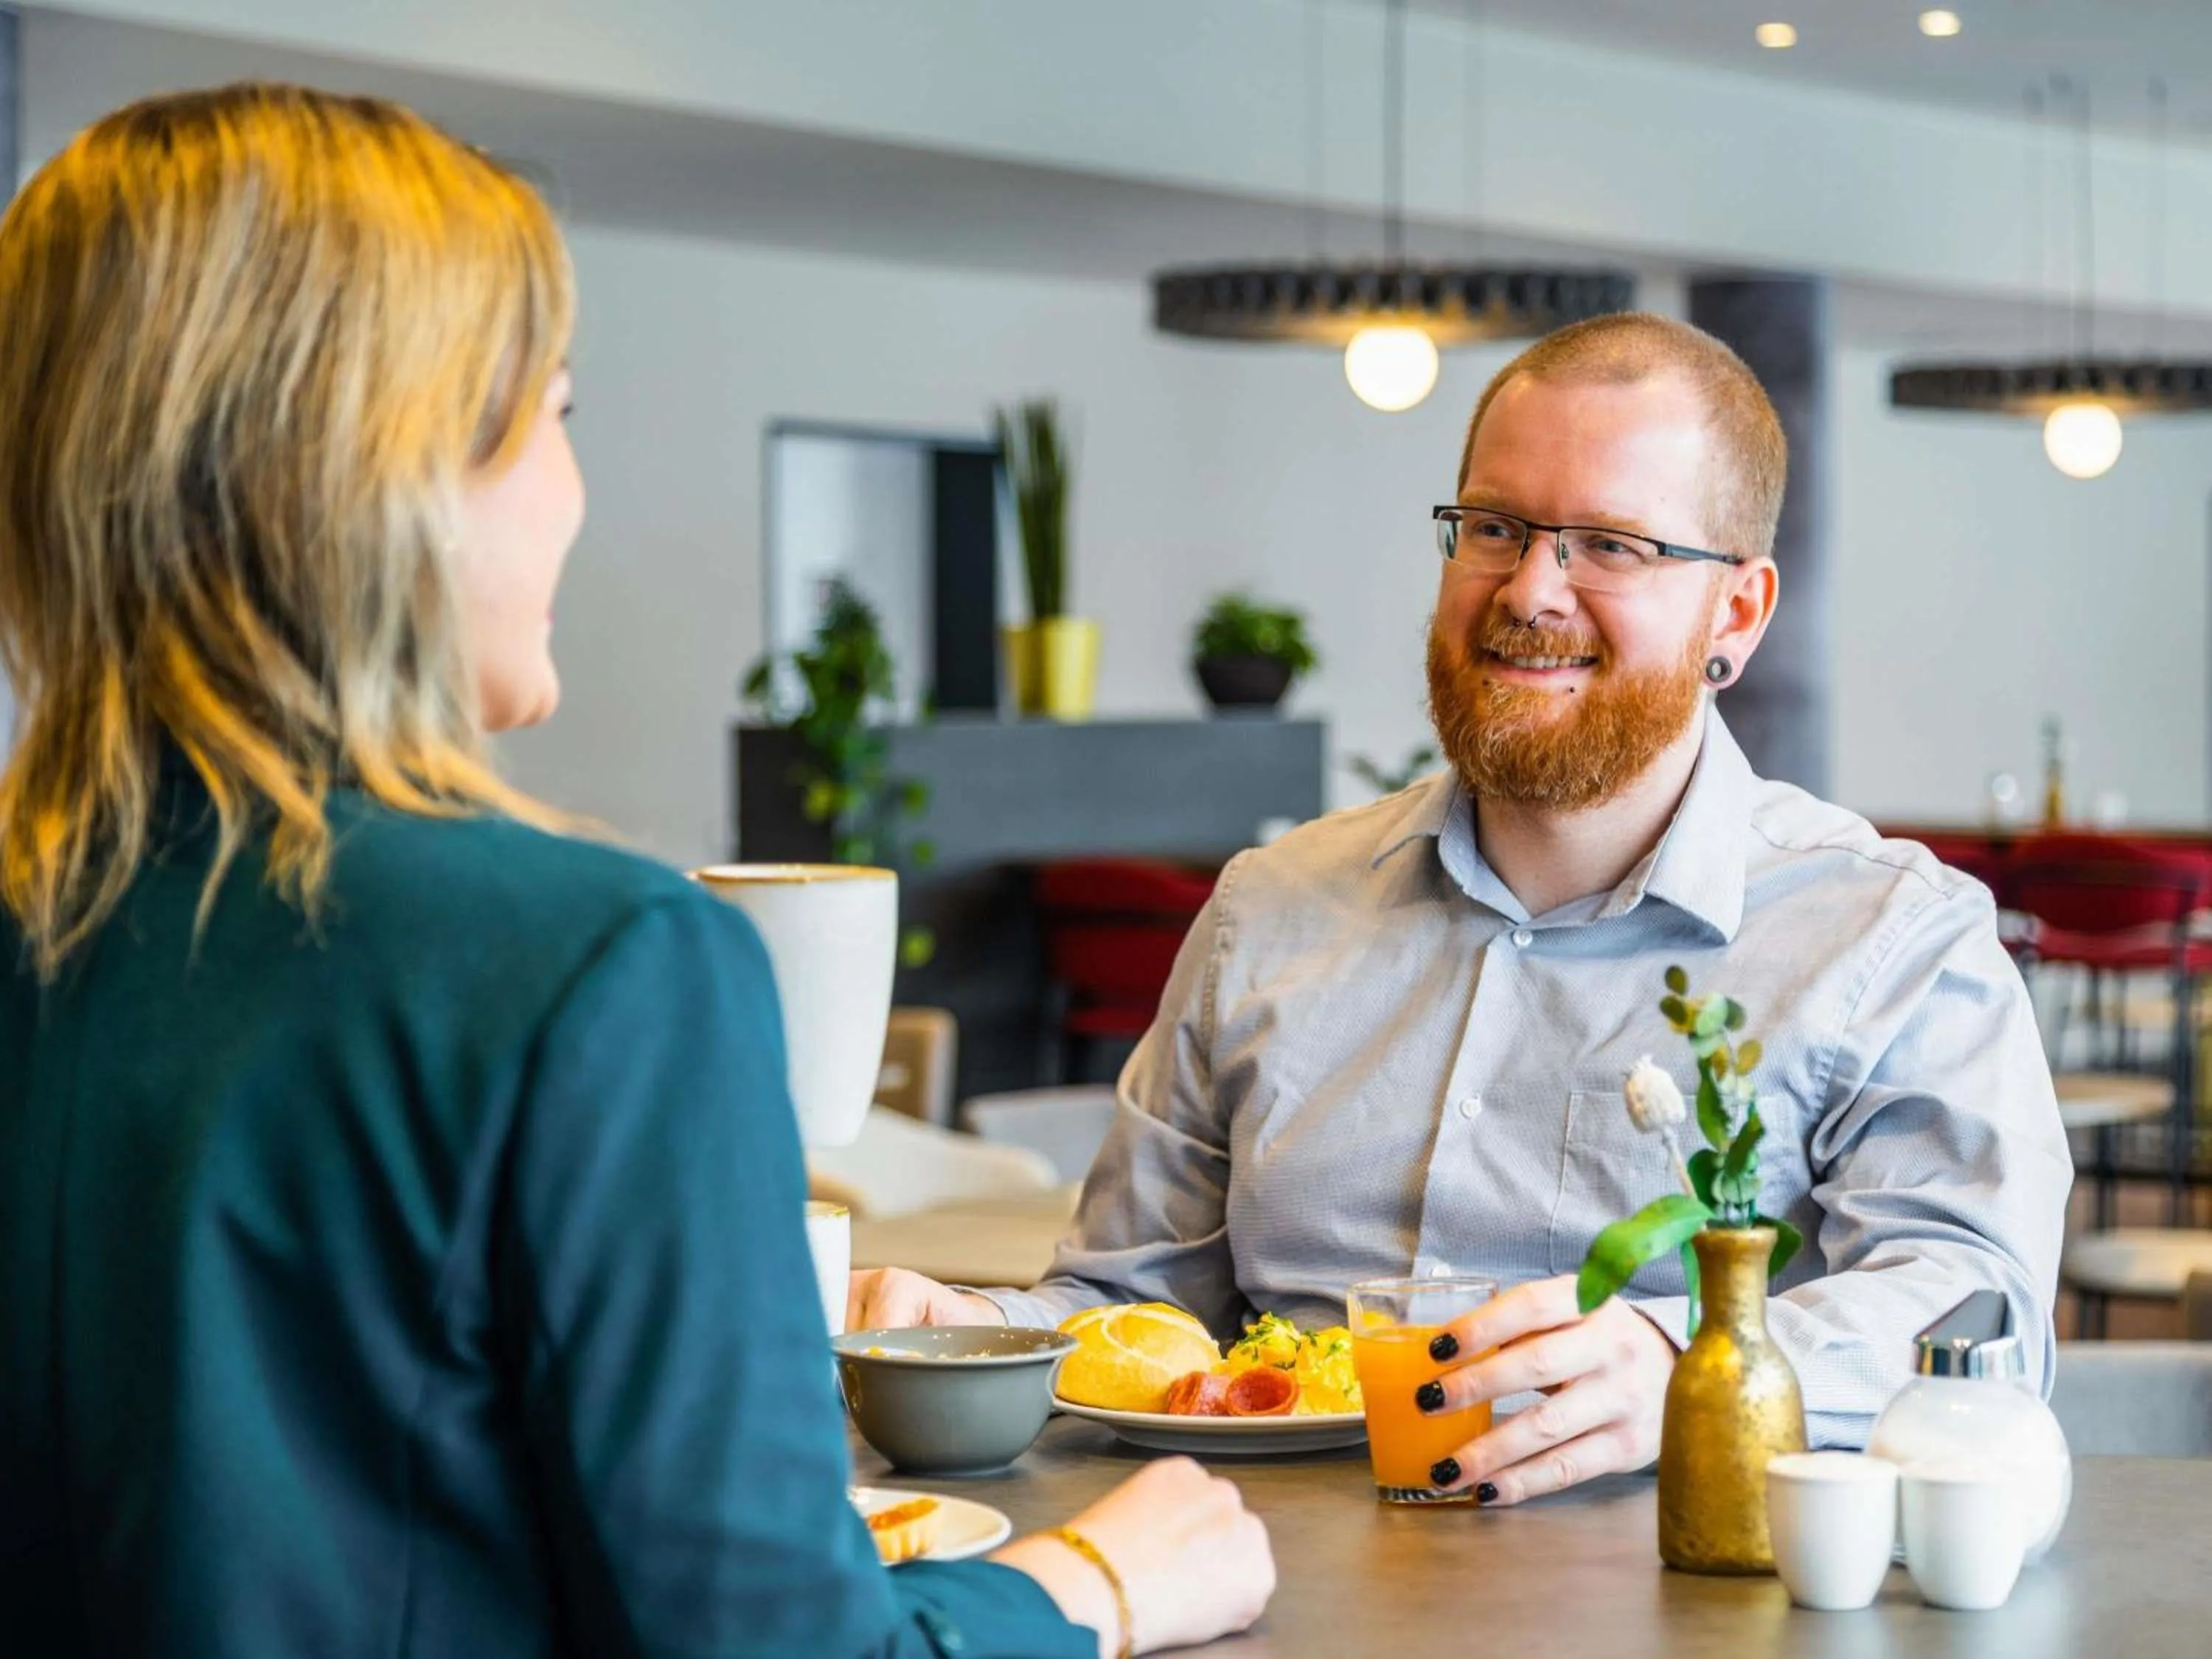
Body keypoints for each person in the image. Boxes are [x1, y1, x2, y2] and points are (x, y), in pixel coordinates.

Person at [0, 84, 1272, 1659]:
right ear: (390, 467)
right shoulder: (592, 965)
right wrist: (1090, 1587)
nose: (574, 491)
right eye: (557, 415)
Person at [854, 313, 2070, 1508]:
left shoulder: (1894, 939)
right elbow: (1138, 1314)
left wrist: (1693, 1365)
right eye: (1494, 526)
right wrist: (973, 1329)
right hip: (1263, 1593)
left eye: (1609, 544)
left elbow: (1977, 1312)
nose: (1531, 588)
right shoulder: (1263, 911)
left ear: (1736, 616)